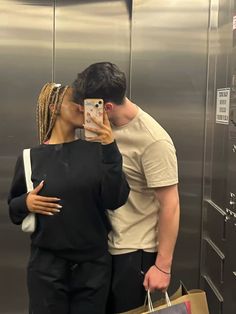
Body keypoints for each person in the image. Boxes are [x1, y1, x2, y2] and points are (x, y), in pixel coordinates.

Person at [8, 82, 130, 314]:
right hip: (46, 270)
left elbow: (116, 199)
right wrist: (26, 202)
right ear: (54, 107)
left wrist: (109, 146)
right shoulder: (30, 157)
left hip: (93, 269)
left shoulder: (98, 151)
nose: (83, 108)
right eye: (76, 101)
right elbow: (12, 210)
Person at [72, 62, 180, 313]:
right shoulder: (98, 126)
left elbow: (170, 205)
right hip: (102, 247)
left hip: (134, 252)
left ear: (107, 107)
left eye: (89, 105)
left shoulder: (153, 140)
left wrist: (163, 266)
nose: (84, 111)